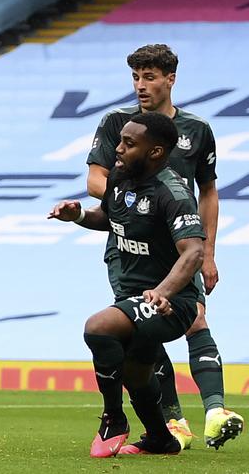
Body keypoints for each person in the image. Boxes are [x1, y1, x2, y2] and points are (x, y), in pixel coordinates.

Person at [86, 43, 241, 450]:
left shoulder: (197, 131)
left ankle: (213, 411)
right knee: (142, 332)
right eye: (135, 77)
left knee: (194, 318)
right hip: (130, 248)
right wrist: (133, 205)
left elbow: (208, 192)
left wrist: (208, 251)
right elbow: (95, 181)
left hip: (180, 245)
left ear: (170, 79)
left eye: (149, 77)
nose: (140, 85)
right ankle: (173, 422)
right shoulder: (117, 123)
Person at [53, 111, 205, 456]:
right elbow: (111, 219)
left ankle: (114, 418)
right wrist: (77, 215)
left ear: (155, 152)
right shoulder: (121, 178)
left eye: (129, 143)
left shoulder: (173, 193)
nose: (118, 149)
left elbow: (193, 251)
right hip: (134, 296)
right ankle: (159, 440)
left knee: (99, 327)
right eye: (120, 139)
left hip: (173, 302)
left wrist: (163, 292)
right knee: (137, 373)